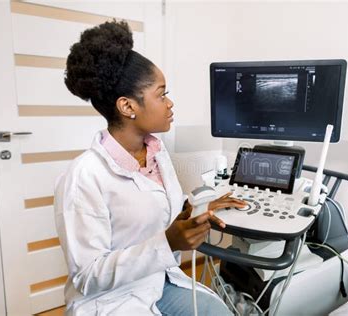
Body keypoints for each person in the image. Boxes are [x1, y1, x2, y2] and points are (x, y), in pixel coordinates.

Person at [54, 20, 246, 315]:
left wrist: (198, 209)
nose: (169, 103)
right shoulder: (84, 176)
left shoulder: (155, 151)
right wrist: (168, 242)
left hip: (158, 281)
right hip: (112, 300)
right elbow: (88, 276)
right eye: (161, 93)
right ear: (128, 107)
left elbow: (156, 208)